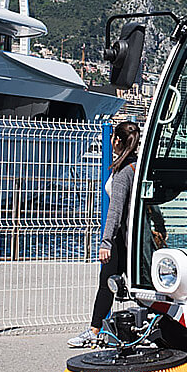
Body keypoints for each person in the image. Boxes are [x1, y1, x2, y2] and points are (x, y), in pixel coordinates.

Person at [68, 120, 140, 347]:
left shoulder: (122, 173)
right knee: (133, 284)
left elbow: (115, 210)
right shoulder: (136, 166)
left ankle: (94, 330)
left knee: (106, 283)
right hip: (135, 236)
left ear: (117, 141)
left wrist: (105, 242)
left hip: (120, 237)